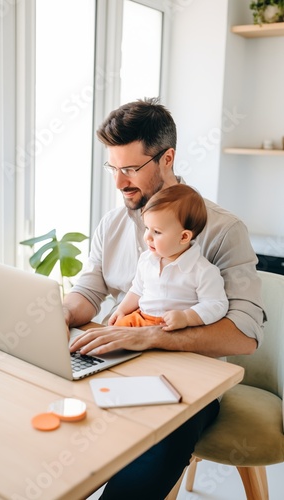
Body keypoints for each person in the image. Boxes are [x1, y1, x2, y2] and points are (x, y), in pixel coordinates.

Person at [64, 98, 265, 499]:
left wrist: (150, 337)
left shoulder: (224, 231)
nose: (120, 183)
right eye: (113, 168)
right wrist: (52, 315)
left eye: (130, 169)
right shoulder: (114, 222)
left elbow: (244, 335)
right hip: (116, 363)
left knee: (155, 450)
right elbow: (88, 292)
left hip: (187, 386)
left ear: (166, 158)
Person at [109, 184, 229, 331]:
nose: (147, 237)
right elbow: (137, 290)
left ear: (184, 236)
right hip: (142, 318)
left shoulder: (202, 271)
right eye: (147, 228)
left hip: (173, 327)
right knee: (113, 332)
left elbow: (216, 304)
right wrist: (121, 310)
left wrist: (186, 317)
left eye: (157, 232)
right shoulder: (147, 260)